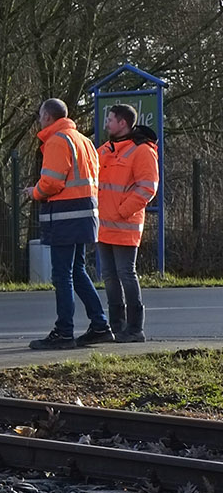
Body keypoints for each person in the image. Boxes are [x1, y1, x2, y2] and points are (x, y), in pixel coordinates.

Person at [26, 97, 110, 349]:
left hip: (64, 216)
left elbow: (52, 182)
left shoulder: (56, 141)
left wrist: (34, 192)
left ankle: (64, 332)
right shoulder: (84, 141)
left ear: (48, 117)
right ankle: (100, 325)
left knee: (62, 275)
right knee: (77, 271)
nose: (39, 120)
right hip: (84, 215)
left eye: (41, 115)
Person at [95, 103, 159, 343]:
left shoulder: (142, 151)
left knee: (125, 274)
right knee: (110, 277)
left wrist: (122, 211)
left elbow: (147, 188)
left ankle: (134, 328)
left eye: (110, 120)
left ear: (123, 123)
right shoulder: (104, 150)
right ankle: (116, 326)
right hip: (103, 226)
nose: (107, 124)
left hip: (124, 225)